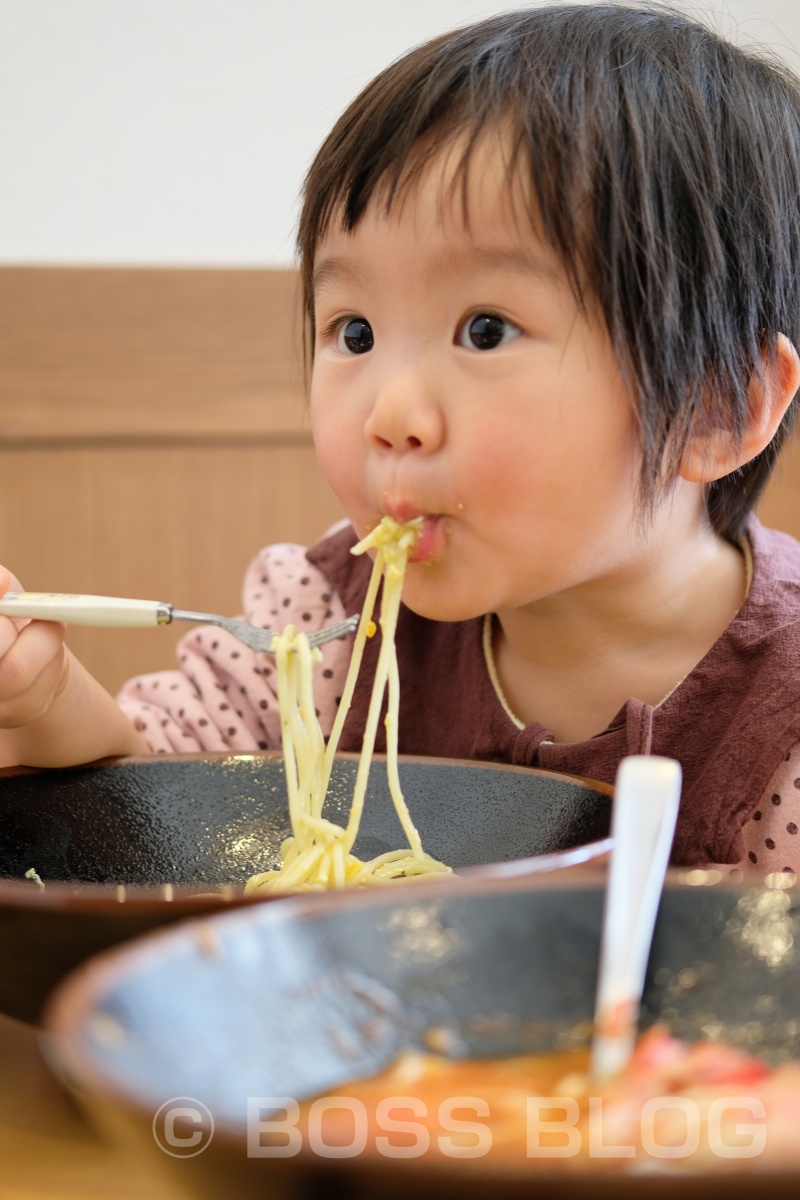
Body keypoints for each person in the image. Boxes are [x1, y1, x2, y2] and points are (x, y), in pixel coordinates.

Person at [3, 2, 800, 872]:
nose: (389, 414)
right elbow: (158, 807)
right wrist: (44, 697)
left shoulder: (785, 714)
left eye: (486, 329)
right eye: (354, 332)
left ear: (714, 407)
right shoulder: (329, 621)